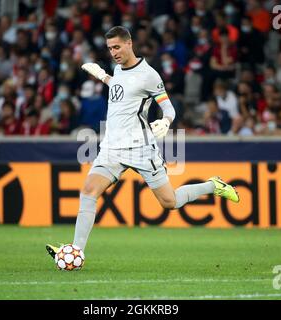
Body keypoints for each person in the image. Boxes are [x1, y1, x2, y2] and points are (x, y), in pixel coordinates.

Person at [46, 26, 239, 259]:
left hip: (141, 148)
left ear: (129, 44)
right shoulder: (117, 70)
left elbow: (168, 107)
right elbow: (123, 89)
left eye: (117, 47)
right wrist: (102, 76)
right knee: (88, 191)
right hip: (112, 148)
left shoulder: (149, 75)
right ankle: (76, 252)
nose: (114, 52)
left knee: (170, 202)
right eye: (110, 48)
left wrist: (166, 121)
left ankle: (212, 185)